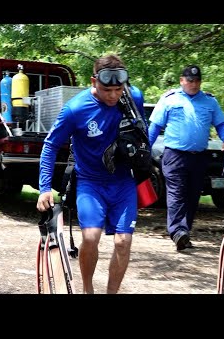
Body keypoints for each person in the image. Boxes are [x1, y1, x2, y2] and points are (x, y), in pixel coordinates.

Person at [36, 54, 147, 294]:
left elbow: (143, 132)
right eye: (108, 90)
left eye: (119, 89)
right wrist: (44, 187)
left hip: (122, 182)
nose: (114, 95)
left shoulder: (134, 97)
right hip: (90, 183)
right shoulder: (75, 109)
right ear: (93, 81)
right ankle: (87, 289)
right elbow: (51, 145)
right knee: (90, 237)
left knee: (123, 242)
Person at [148, 65, 224, 251]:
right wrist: (145, 147)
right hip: (174, 155)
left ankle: (184, 232)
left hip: (199, 157)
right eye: (190, 80)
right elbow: (154, 128)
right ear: (182, 80)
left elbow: (220, 124)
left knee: (192, 195)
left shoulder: (210, 101)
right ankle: (177, 231)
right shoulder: (169, 99)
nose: (194, 84)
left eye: (197, 81)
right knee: (176, 193)